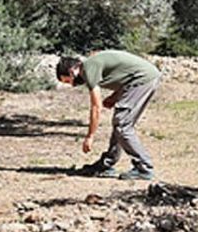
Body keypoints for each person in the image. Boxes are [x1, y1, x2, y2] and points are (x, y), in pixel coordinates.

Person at [57, 50, 161, 181]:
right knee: (121, 124)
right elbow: (126, 75)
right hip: (141, 79)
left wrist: (90, 136)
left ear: (72, 71)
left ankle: (144, 168)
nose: (72, 85)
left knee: (122, 124)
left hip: (143, 79)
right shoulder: (91, 65)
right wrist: (114, 97)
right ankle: (107, 164)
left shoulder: (89, 69)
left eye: (68, 81)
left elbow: (96, 107)